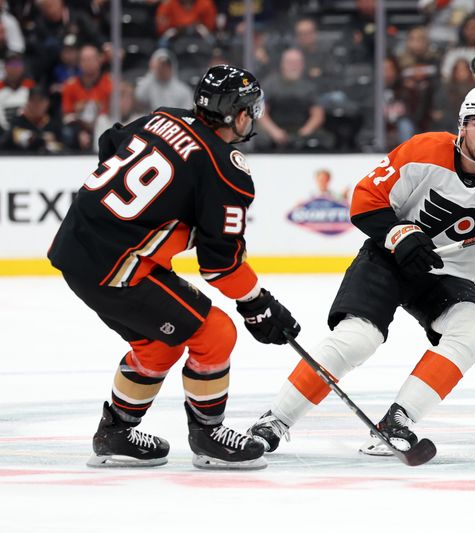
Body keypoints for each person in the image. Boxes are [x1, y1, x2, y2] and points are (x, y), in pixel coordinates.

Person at [248, 87, 475, 457]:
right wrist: (400, 234)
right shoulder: (421, 151)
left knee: (474, 331)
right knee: (357, 338)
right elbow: (364, 200)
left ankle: (398, 420)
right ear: (461, 126)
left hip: (448, 274)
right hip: (389, 258)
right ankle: (274, 420)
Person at [47, 65, 301, 470]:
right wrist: (258, 304)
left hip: (74, 248)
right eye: (250, 110)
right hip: (118, 268)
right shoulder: (226, 168)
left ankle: (115, 432)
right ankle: (208, 434)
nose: (252, 117)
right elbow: (221, 265)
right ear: (238, 115)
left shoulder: (161, 116)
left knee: (159, 340)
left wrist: (148, 217)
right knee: (215, 332)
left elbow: (109, 141)